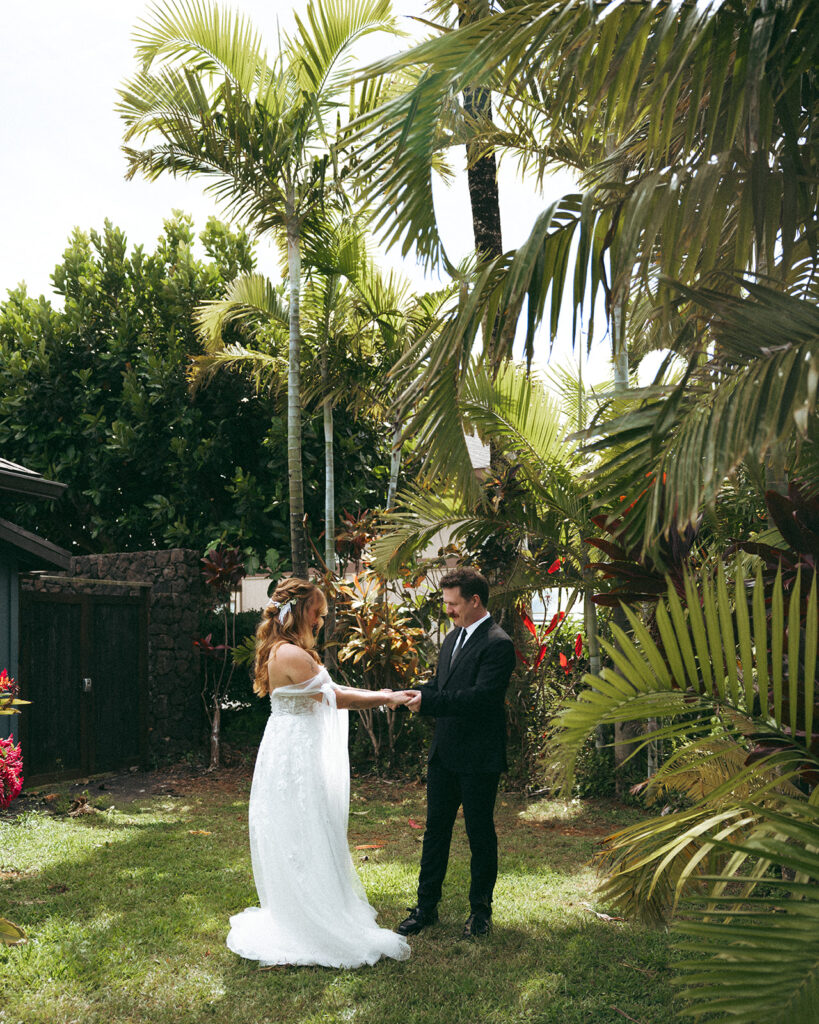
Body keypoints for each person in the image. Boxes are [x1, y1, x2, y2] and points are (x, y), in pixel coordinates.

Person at [226, 577, 412, 968]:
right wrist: (386, 697)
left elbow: (327, 691)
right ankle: (309, 919)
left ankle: (307, 905)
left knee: (303, 826)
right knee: (303, 827)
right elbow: (335, 697)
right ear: (299, 612)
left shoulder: (283, 650)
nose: (321, 621)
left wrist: (383, 696)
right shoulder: (291, 655)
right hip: (295, 754)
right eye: (318, 613)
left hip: (290, 747)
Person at [397, 566, 515, 940]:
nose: (448, 610)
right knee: (435, 833)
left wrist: (429, 701)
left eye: (453, 603)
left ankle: (480, 912)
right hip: (444, 754)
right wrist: (410, 694)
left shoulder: (499, 643)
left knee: (479, 834)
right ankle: (425, 907)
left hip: (479, 757)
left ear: (475, 601)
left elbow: (481, 699)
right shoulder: (451, 640)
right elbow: (440, 686)